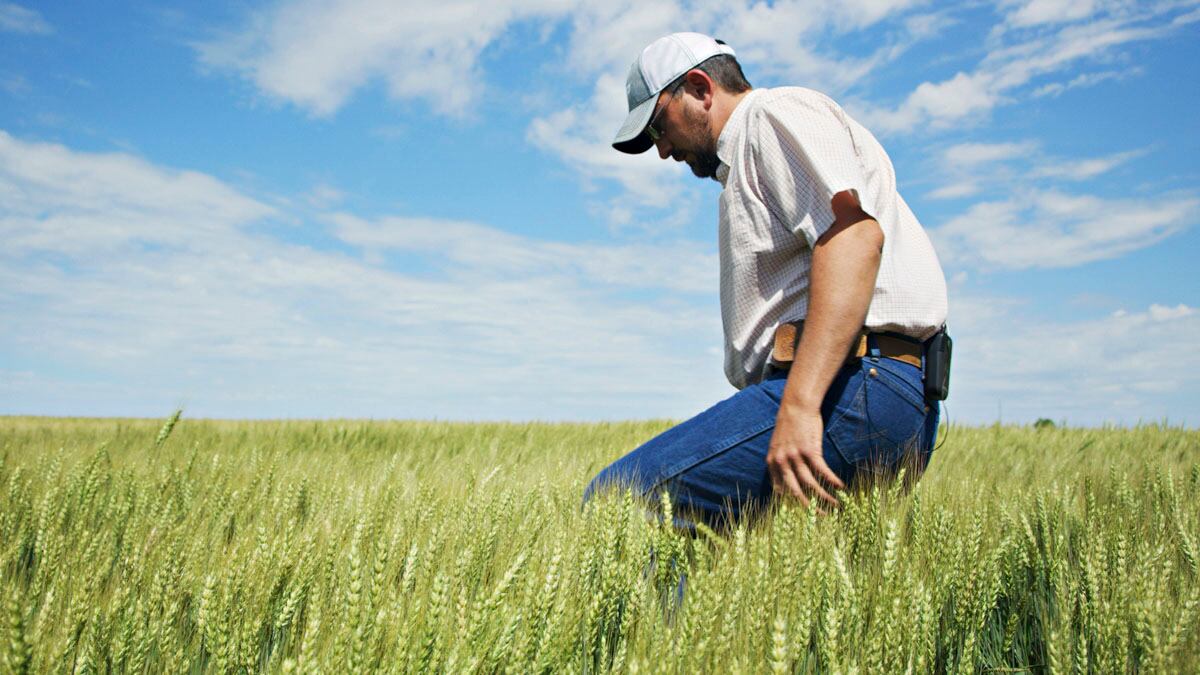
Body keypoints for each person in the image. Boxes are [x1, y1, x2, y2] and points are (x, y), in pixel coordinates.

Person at [583, 32, 949, 529]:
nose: (661, 150)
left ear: (699, 87)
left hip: (851, 387)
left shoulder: (770, 118)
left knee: (617, 503)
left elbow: (853, 238)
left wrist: (799, 406)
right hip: (876, 389)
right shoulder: (750, 156)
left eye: (657, 126)